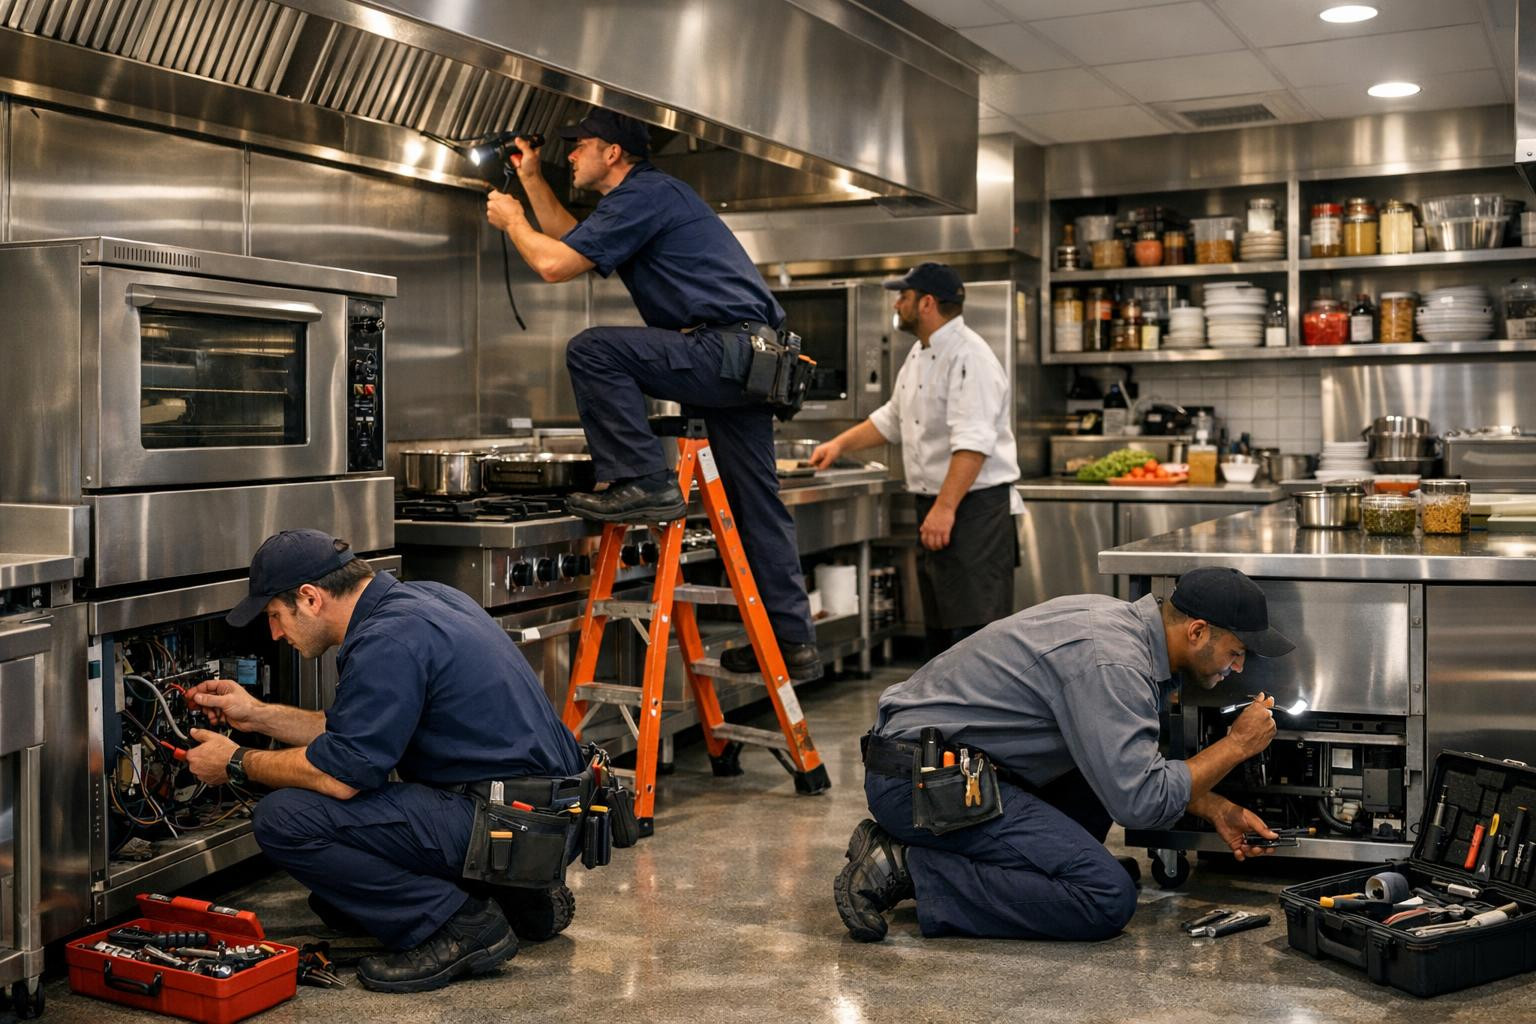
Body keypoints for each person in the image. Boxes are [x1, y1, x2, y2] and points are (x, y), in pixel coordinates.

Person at [484, 108, 821, 682]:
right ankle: (793, 644)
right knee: (755, 508)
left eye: (580, 146)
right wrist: (533, 178)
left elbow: (552, 263)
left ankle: (645, 482)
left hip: (722, 351)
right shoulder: (644, 200)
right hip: (748, 367)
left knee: (593, 349)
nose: (571, 156)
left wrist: (514, 220)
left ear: (612, 152)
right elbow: (573, 240)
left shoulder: (646, 194)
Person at [184, 529, 586, 993]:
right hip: (543, 819)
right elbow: (358, 730)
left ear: (310, 598)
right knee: (338, 902)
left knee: (285, 819)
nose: (274, 633)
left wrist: (235, 761)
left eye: (275, 616)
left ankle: (459, 928)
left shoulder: (386, 640)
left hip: (507, 822)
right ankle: (517, 896)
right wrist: (256, 715)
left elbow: (339, 776)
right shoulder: (425, 600)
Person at [832, 566, 1294, 943]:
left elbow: (1127, 768)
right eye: (1235, 653)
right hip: (923, 781)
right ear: (1197, 631)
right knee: (1103, 897)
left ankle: (981, 864)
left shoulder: (1118, 626)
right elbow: (1140, 802)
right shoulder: (1111, 662)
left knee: (1095, 794)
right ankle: (906, 866)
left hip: (956, 766)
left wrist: (1217, 807)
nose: (1238, 668)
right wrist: (1236, 745)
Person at [810, 263, 1021, 655]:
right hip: (942, 506)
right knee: (942, 635)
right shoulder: (918, 354)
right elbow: (892, 419)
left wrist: (944, 508)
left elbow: (973, 444)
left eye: (903, 296)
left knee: (975, 637)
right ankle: (944, 713)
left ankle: (979, 715)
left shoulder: (969, 357)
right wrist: (838, 445)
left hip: (972, 511)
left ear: (926, 303)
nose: (897, 303)